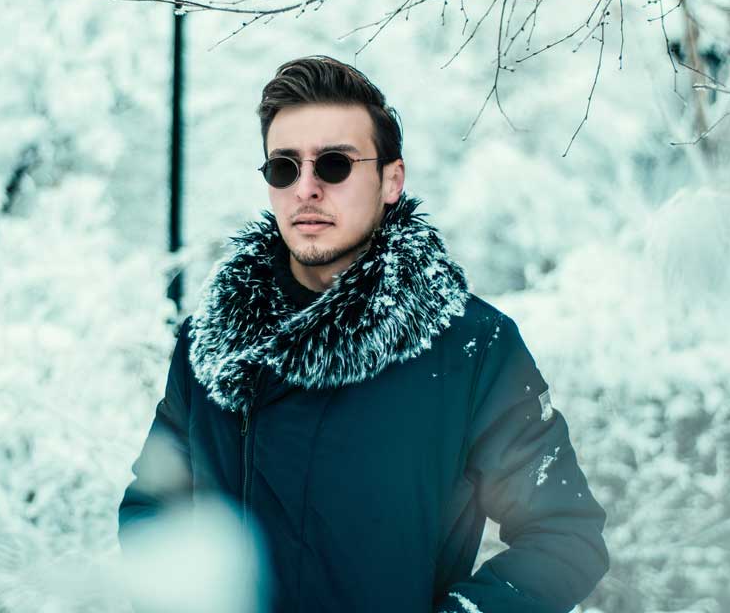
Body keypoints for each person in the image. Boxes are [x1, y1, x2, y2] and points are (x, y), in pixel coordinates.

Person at [118, 55, 609, 613]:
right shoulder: (210, 347)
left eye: (333, 165)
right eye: (284, 167)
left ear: (391, 180)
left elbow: (566, 535)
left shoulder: (469, 348)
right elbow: (149, 513)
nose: (306, 188)